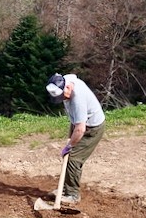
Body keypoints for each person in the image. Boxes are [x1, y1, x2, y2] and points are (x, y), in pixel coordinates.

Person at [45, 72, 105, 205]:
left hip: (91, 129)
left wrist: (69, 146)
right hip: (79, 123)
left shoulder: (78, 98)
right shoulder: (65, 81)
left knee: (73, 158)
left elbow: (80, 129)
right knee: (70, 157)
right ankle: (65, 191)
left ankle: (72, 195)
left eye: (62, 95)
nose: (62, 98)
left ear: (67, 88)